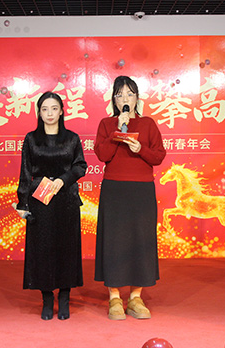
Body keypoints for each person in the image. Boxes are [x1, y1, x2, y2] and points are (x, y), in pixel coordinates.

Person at [94, 75, 167, 320]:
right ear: (114, 100)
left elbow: (158, 156)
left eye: (129, 94)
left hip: (141, 190)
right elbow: (103, 155)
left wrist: (140, 149)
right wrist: (118, 131)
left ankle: (136, 298)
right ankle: (114, 297)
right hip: (114, 190)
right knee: (114, 241)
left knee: (140, 241)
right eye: (120, 94)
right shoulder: (107, 124)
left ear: (137, 98)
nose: (125, 98)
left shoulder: (148, 124)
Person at [15, 91, 87, 320]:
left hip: (66, 199)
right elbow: (25, 172)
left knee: (67, 249)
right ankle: (47, 299)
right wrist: (23, 202)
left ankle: (64, 298)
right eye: (44, 109)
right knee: (42, 250)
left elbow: (80, 166)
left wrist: (63, 180)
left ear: (62, 111)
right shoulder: (31, 139)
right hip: (40, 201)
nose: (49, 113)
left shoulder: (72, 138)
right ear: (39, 112)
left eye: (54, 108)